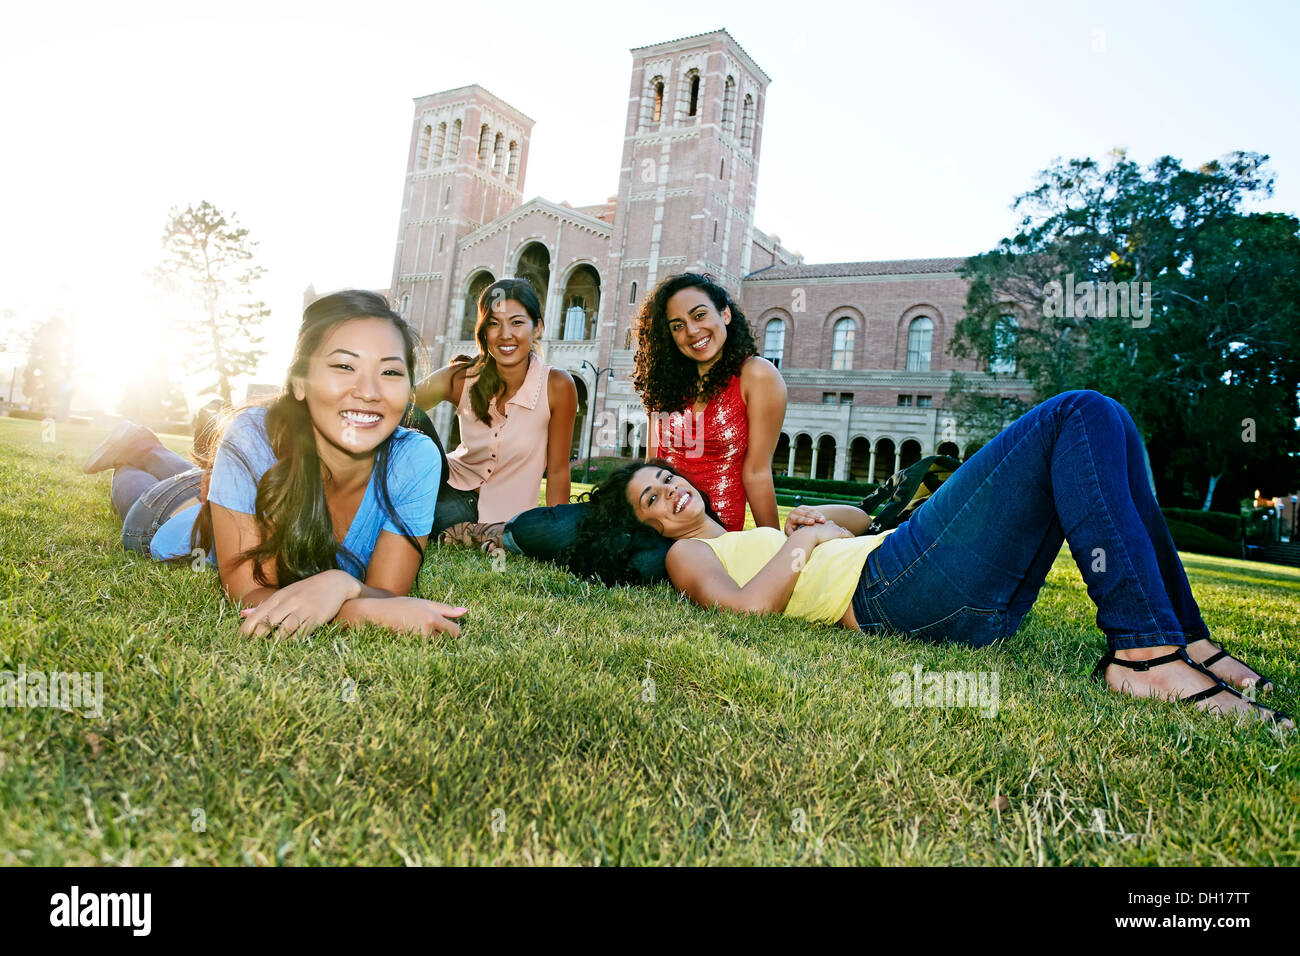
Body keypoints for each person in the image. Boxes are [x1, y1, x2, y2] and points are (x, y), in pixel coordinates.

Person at [567, 389, 1290, 726]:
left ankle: (1184, 639)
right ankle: (1141, 660)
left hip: (930, 582)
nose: (670, 498)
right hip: (894, 593)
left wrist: (820, 519)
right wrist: (801, 541)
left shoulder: (748, 526)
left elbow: (858, 520)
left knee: (1115, 422)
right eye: (651, 504)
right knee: (1078, 412)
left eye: (666, 482)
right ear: (650, 529)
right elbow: (746, 610)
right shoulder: (687, 559)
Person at [82, 290, 467, 638]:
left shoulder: (415, 457)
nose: (368, 391)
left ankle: (146, 446)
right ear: (300, 382)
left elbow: (390, 591)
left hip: (222, 491)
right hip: (169, 517)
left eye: (390, 372)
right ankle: (135, 450)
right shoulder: (250, 435)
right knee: (138, 490)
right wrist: (363, 611)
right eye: (344, 367)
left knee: (198, 476)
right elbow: (249, 593)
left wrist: (340, 586)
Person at [481, 272, 787, 582]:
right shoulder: (666, 381)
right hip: (654, 515)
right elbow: (653, 464)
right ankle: (490, 533)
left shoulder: (757, 375)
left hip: (709, 530)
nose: (692, 331)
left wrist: (772, 549)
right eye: (678, 326)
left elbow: (757, 472)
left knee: (639, 565)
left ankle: (571, 548)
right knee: (550, 526)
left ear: (725, 313)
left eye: (699, 315)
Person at [413, 277, 577, 545]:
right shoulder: (462, 377)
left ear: (537, 329)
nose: (505, 335)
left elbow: (558, 470)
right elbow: (401, 402)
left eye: (516, 322)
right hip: (447, 487)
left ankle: (459, 531)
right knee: (410, 415)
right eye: (493, 323)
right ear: (483, 331)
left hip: (502, 517)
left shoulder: (557, 385)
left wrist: (556, 535)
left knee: (427, 517)